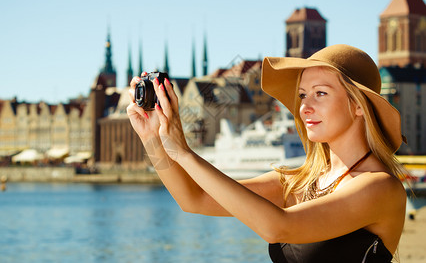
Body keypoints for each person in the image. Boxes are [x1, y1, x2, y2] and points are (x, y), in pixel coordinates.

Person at [127, 44, 408, 262]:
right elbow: (194, 199)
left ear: (358, 105)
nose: (305, 107)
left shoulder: (380, 187)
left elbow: (279, 227)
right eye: (302, 95)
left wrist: (184, 153)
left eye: (320, 93)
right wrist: (151, 138)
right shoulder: (298, 183)